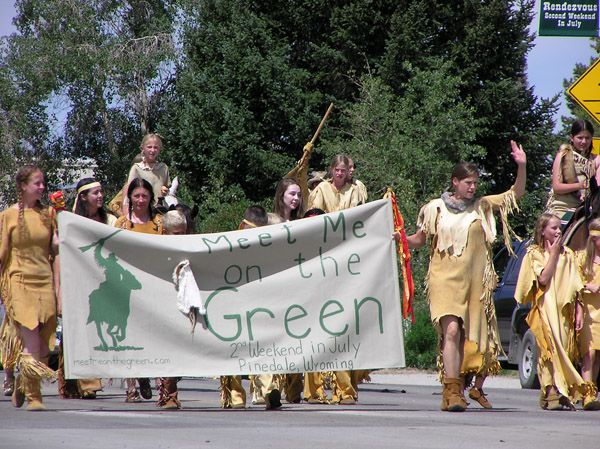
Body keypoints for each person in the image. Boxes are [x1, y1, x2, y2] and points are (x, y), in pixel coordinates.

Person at [406, 141, 526, 412]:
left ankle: (457, 387)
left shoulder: (481, 206)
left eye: (475, 183)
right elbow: (419, 239)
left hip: (474, 285)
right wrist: (399, 239)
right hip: (443, 279)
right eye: (468, 182)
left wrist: (521, 166)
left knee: (465, 336)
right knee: (450, 330)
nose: (473, 187)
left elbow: (514, 196)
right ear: (455, 182)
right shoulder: (434, 207)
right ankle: (452, 392)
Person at [306, 154, 367, 405]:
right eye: (338, 170)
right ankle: (314, 389)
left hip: (350, 257)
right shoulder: (321, 189)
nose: (342, 174)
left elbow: (362, 217)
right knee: (317, 321)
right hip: (325, 255)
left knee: (344, 323)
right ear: (332, 171)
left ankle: (345, 388)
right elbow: (313, 218)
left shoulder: (357, 190)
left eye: (345, 170)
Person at [0, 165, 59, 411]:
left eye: (43, 183)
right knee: (32, 336)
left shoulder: (49, 214)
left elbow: (55, 249)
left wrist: (59, 285)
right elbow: (2, 254)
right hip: (19, 280)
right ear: (23, 186)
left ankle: (23, 381)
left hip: (43, 279)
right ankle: (35, 397)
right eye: (37, 183)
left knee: (45, 343)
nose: (42, 187)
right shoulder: (8, 215)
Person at [515, 213, 586, 410]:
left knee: (563, 348)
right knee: (548, 350)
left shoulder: (569, 255)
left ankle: (559, 389)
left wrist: (579, 311)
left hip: (564, 311)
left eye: (559, 228)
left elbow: (576, 286)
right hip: (545, 309)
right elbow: (544, 279)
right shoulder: (535, 254)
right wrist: (553, 253)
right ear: (543, 231)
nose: (558, 231)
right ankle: (550, 390)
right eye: (553, 228)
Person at [220, 205, 283, 410]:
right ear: (242, 226)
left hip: (259, 304)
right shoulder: (227, 244)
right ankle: (235, 395)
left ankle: (269, 390)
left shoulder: (267, 246)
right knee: (234, 349)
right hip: (234, 304)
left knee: (263, 346)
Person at [57, 178, 115, 400]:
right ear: (82, 197)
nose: (100, 196)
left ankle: (88, 381)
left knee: (93, 329)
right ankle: (81, 382)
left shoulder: (109, 220)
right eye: (95, 193)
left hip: (100, 281)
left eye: (101, 192)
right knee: (77, 330)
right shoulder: (72, 222)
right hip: (78, 281)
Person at [115, 177, 163, 402]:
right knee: (130, 337)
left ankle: (162, 386)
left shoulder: (160, 224)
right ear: (130, 198)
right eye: (137, 196)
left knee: (158, 337)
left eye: (145, 196)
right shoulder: (122, 224)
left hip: (154, 286)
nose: (141, 200)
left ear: (151, 198)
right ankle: (131, 387)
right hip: (128, 288)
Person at [155, 209, 188, 410]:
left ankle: (169, 389)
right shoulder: (156, 249)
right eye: (177, 234)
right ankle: (169, 394)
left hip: (183, 303)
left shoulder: (190, 246)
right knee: (166, 347)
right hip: (162, 303)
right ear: (165, 231)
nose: (181, 237)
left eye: (184, 232)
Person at [546, 119, 598, 226]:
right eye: (580, 137)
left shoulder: (596, 159)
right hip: (562, 209)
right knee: (555, 233)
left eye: (587, 138)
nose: (584, 141)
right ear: (572, 138)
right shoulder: (564, 155)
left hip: (587, 210)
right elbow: (556, 187)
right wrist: (580, 185)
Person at [576, 217, 600, 410]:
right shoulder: (583, 258)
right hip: (587, 311)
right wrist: (588, 286)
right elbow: (573, 282)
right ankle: (587, 393)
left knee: (598, 355)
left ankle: (592, 390)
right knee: (589, 353)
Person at [127, 133, 170, 206]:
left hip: (159, 208)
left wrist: (165, 190)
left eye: (155, 147)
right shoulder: (136, 168)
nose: (152, 150)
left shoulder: (163, 168)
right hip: (141, 208)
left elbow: (166, 186)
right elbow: (130, 191)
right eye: (149, 147)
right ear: (142, 148)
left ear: (159, 149)